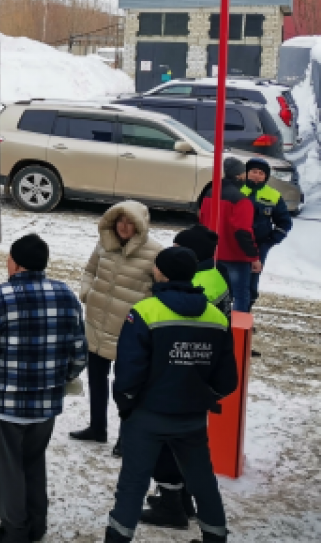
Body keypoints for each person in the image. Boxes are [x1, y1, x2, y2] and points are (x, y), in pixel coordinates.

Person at [0, 234, 87, 543]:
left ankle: (15, 531)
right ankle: (37, 525)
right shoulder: (66, 296)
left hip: (5, 405)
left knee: (7, 469)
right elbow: (79, 353)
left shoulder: (0, 298)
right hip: (46, 405)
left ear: (15, 263)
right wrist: (62, 379)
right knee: (33, 461)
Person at [103, 247, 238, 543]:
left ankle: (117, 538)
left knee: (132, 485)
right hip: (191, 419)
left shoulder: (146, 311)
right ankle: (215, 537)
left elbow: (128, 371)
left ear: (159, 273)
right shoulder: (216, 317)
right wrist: (201, 396)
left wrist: (128, 406)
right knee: (203, 482)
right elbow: (228, 378)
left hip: (147, 415)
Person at [141, 226, 231, 530]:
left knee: (168, 446)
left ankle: (172, 505)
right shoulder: (217, 275)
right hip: (200, 376)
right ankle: (182, 500)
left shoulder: (196, 283)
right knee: (186, 443)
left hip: (177, 375)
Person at [71, 201, 162, 456]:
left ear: (140, 225)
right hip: (97, 324)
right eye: (120, 220)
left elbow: (159, 289)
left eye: (129, 221)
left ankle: (127, 437)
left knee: (126, 388)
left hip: (128, 332)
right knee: (96, 379)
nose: (123, 226)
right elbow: (89, 271)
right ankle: (97, 427)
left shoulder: (155, 252)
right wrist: (87, 292)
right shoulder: (104, 244)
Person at [199, 157, 259, 312]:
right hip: (236, 257)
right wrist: (254, 257)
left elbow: (202, 221)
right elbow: (243, 231)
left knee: (214, 292)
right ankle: (237, 331)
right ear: (239, 176)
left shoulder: (209, 194)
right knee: (240, 295)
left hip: (212, 253)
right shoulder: (241, 200)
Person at [240, 156, 292, 308]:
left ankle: (244, 315)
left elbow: (284, 222)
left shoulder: (274, 195)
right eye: (253, 171)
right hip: (234, 242)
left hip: (259, 246)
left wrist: (270, 241)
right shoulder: (236, 190)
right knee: (230, 279)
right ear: (247, 172)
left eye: (261, 173)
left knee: (251, 281)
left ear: (266, 176)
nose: (256, 175)